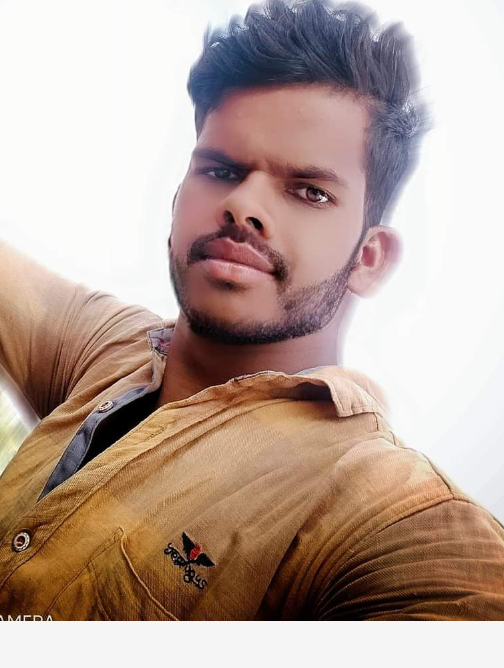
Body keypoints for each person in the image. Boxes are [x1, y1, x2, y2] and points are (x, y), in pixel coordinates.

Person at [0, 0, 503, 621]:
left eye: (309, 191)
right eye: (221, 170)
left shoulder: (382, 506)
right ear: (178, 200)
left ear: (369, 258)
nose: (243, 205)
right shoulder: (107, 350)